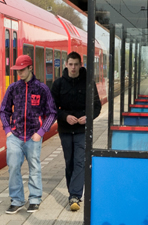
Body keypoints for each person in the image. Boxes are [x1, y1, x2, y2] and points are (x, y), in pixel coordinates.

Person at [0, 54, 57, 214]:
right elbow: (4, 110)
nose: (19, 73)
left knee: (34, 167)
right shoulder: (13, 88)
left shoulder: (42, 88)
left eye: (22, 70)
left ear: (30, 68)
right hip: (15, 135)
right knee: (13, 167)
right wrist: (7, 130)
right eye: (17, 70)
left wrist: (41, 132)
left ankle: (34, 199)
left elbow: (52, 113)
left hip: (33, 136)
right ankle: (17, 200)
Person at [51, 52, 101, 211]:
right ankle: (72, 190)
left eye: (76, 64)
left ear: (81, 65)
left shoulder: (88, 83)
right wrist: (65, 117)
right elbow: (52, 108)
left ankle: (75, 195)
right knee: (69, 162)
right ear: (66, 64)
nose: (73, 67)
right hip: (65, 130)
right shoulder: (58, 84)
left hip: (81, 130)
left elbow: (97, 106)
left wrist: (88, 117)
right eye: (70, 64)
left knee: (80, 161)